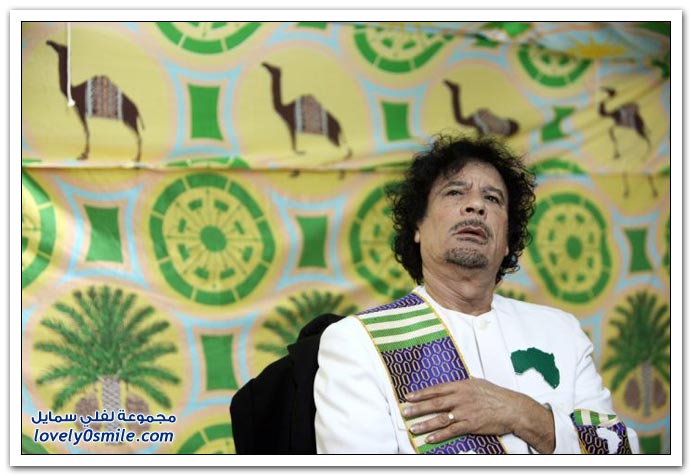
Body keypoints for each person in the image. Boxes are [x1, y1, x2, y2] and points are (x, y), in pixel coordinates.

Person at [314, 134, 638, 454]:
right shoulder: (358, 342)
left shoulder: (562, 333)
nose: (476, 205)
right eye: (455, 192)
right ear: (418, 227)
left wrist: (523, 413)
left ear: (507, 240)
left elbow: (622, 454)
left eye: (493, 199)